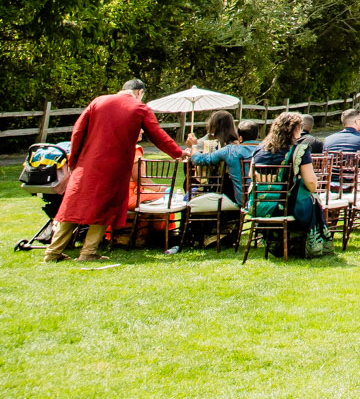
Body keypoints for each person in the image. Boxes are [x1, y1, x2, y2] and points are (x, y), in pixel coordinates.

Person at [45, 79, 188, 263]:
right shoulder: (140, 108)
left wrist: (73, 161)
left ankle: (53, 252)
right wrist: (177, 153)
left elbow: (77, 131)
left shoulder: (98, 101)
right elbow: (158, 135)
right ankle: (88, 252)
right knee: (103, 207)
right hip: (115, 167)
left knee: (73, 206)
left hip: (87, 164)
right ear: (139, 92)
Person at [250, 110, 329, 255]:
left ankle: (279, 241)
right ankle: (308, 243)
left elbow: (251, 175)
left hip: (258, 205)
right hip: (284, 206)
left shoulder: (258, 150)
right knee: (312, 200)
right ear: (295, 130)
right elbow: (311, 184)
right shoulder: (299, 150)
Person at [189, 118, 264, 221]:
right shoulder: (266, 150)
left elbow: (199, 160)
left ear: (240, 138)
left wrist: (194, 145)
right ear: (257, 136)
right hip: (263, 198)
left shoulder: (230, 150)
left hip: (242, 200)